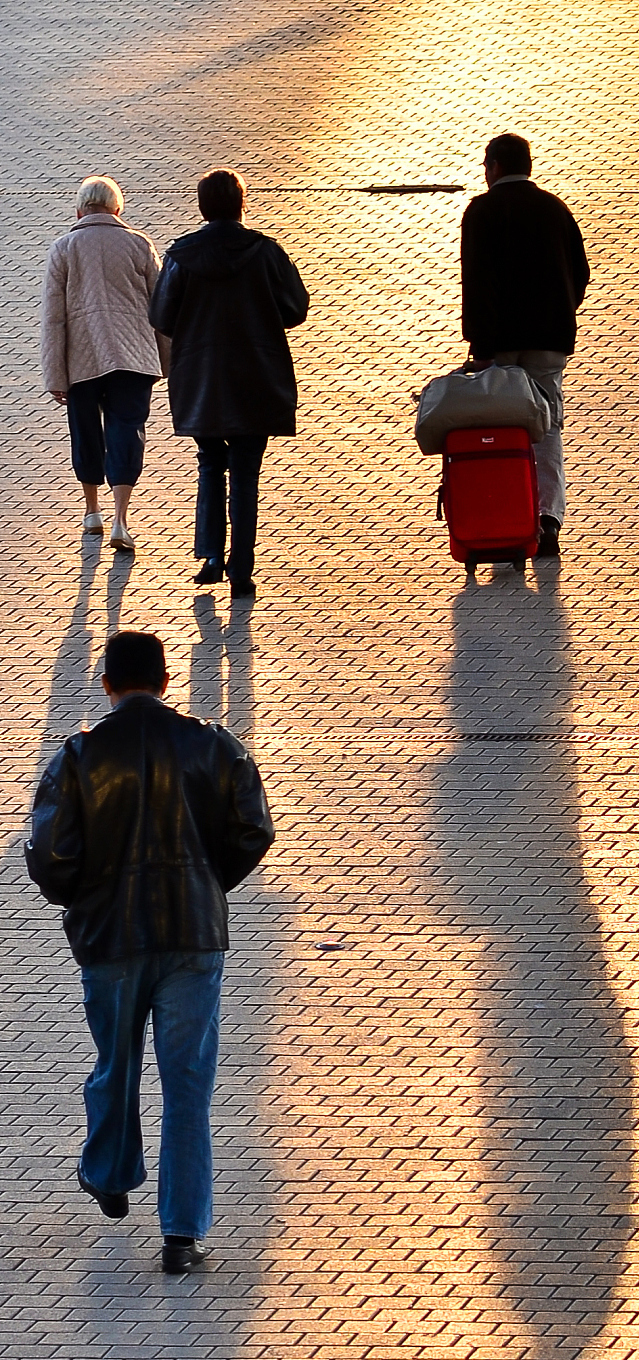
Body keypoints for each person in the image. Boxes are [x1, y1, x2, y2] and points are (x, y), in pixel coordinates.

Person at [24, 630, 274, 1274]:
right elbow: (254, 827)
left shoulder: (79, 756)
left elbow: (50, 853)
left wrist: (82, 897)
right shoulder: (212, 744)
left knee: (117, 1061)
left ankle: (110, 1171)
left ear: (105, 683)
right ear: (165, 682)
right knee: (188, 1082)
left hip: (112, 937)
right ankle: (181, 1234)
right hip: (192, 932)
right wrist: (207, 877)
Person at [148, 168, 309, 598]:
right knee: (246, 474)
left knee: (209, 464)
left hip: (201, 379)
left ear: (202, 208)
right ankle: (242, 566)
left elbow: (160, 317)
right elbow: (295, 307)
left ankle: (212, 555)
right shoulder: (266, 252)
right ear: (242, 204)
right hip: (255, 377)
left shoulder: (182, 256)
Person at [460, 132, 590, 557]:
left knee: (497, 426)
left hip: (500, 342)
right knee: (547, 424)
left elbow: (476, 282)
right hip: (550, 340)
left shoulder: (482, 211)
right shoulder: (555, 209)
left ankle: (504, 513)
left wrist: (480, 345)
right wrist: (561, 311)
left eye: (485, 165)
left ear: (494, 166)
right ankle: (548, 518)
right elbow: (581, 271)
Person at [41, 176, 166, 554]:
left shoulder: (63, 248)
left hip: (82, 357)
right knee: (127, 430)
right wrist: (167, 360)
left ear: (79, 210)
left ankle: (92, 510)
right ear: (117, 209)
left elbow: (53, 318)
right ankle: (121, 519)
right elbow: (161, 305)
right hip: (133, 357)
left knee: (85, 431)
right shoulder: (139, 244)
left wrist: (55, 374)